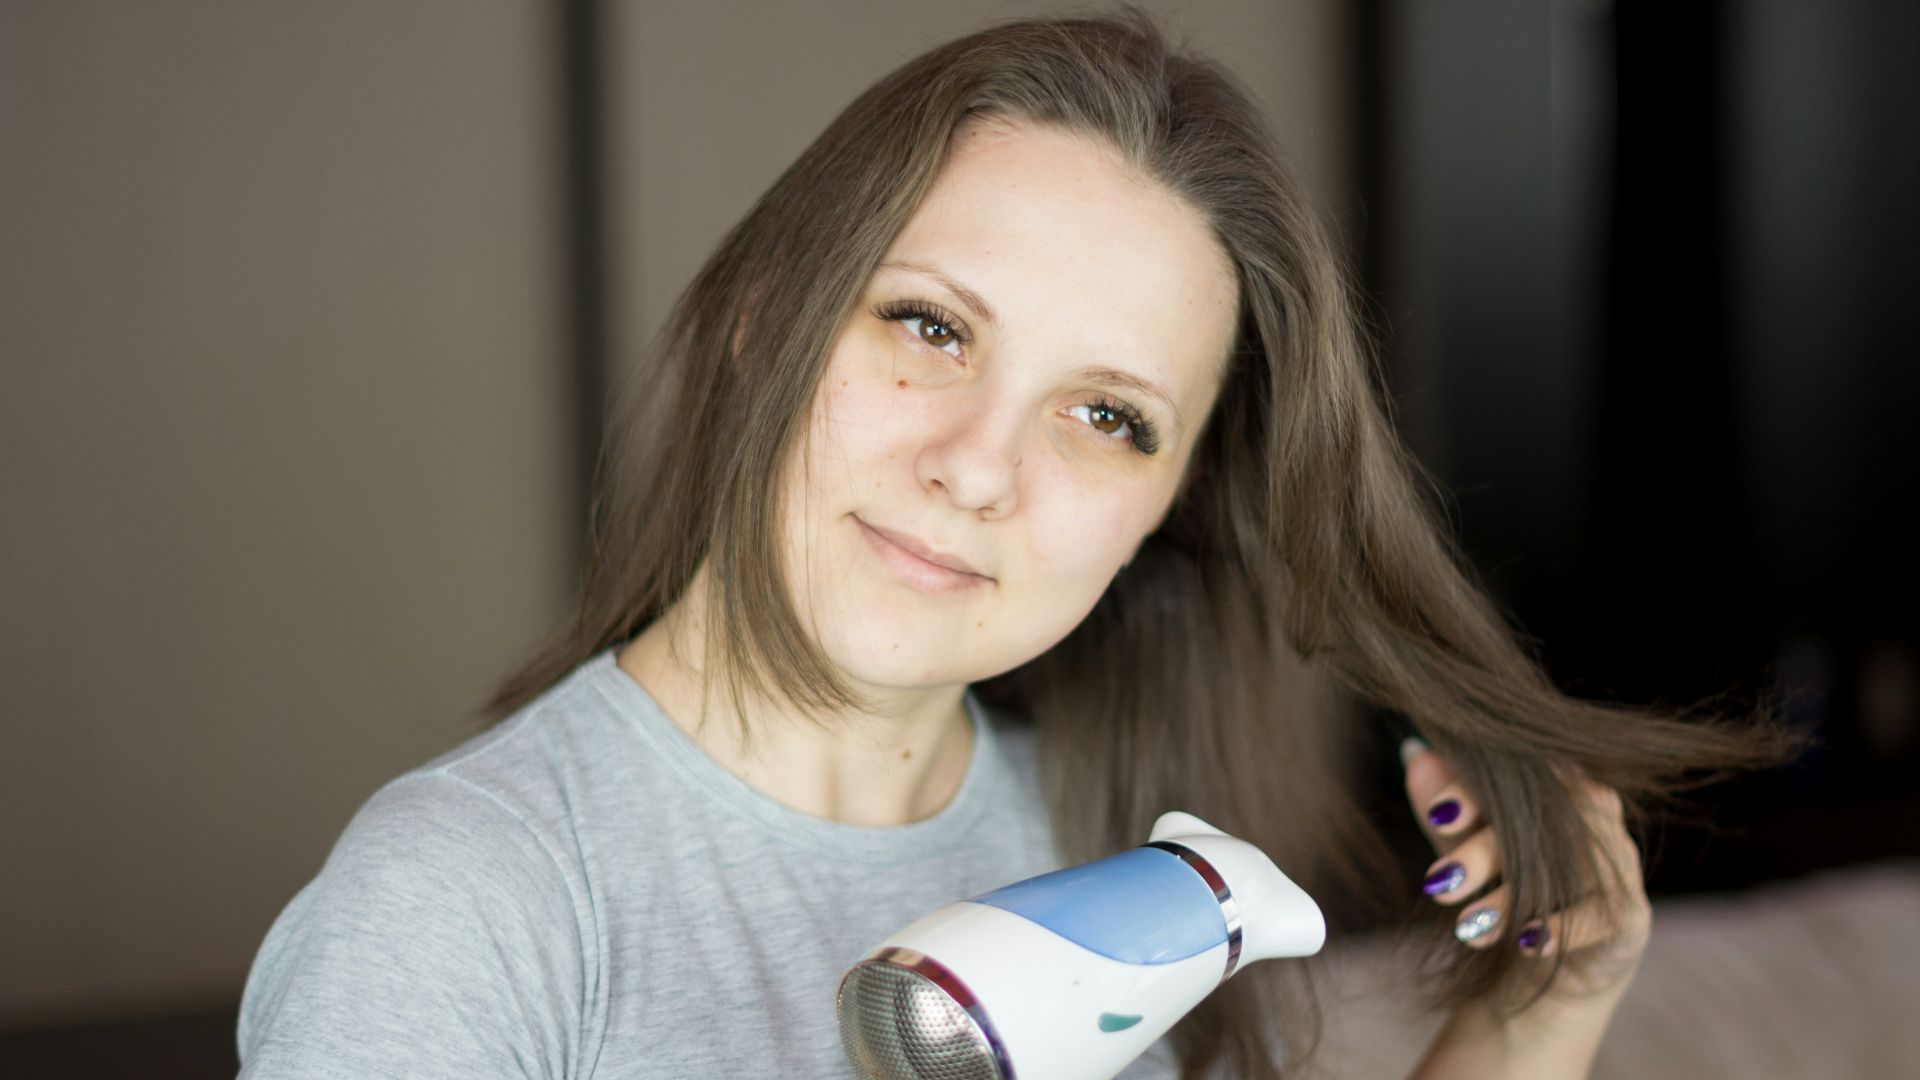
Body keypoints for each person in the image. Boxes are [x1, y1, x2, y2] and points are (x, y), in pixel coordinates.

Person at [234, 6, 1807, 1078]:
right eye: (928, 325)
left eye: (1108, 416)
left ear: (1162, 512)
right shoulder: (466, 907)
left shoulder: (1115, 867)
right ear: (764, 325)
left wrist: (1537, 1016)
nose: (980, 466)